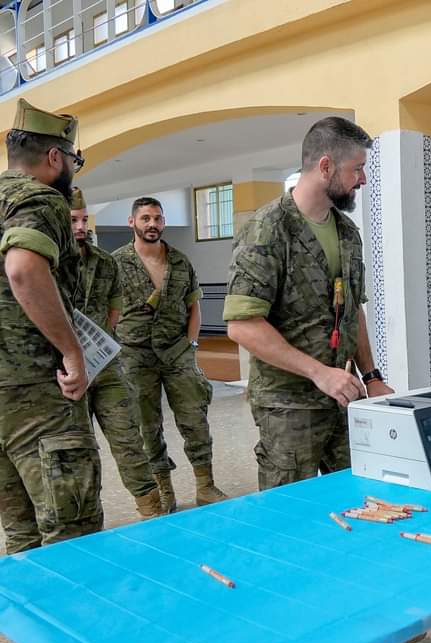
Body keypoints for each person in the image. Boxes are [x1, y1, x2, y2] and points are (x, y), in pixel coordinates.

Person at [0, 99, 112, 643]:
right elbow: (23, 268)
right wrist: (70, 350)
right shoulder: (41, 199)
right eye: (73, 158)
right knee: (68, 546)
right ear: (53, 157)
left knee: (23, 543)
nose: (73, 168)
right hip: (38, 405)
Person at [226, 116, 393, 491]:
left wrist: (372, 377)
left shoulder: (346, 232)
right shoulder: (267, 229)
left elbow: (353, 309)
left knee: (359, 496)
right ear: (325, 167)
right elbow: (242, 325)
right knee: (291, 517)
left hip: (342, 399)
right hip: (288, 407)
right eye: (358, 169)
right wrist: (319, 372)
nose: (362, 180)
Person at [113, 197, 228, 511]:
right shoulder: (116, 263)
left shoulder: (180, 261)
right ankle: (164, 491)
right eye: (146, 218)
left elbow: (194, 308)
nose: (152, 224)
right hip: (135, 356)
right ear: (132, 222)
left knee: (195, 418)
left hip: (178, 352)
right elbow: (107, 311)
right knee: (146, 425)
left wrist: (191, 347)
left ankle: (205, 485)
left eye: (158, 218)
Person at [70, 187, 164, 519]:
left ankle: (153, 511)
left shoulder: (105, 262)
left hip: (106, 368)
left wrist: (102, 341)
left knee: (129, 442)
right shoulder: (46, 263)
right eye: (73, 221)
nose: (80, 228)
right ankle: (83, 525)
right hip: (66, 375)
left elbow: (114, 309)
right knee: (78, 451)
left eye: (83, 220)